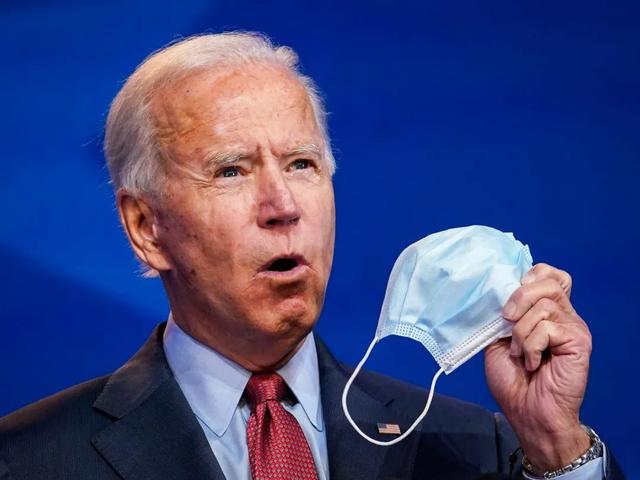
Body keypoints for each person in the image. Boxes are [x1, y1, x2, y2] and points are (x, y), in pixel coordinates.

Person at [0, 32, 625, 480]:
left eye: (302, 164)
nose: (283, 206)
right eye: (231, 170)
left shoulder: (471, 447)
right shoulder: (28, 460)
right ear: (146, 227)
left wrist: (554, 445)